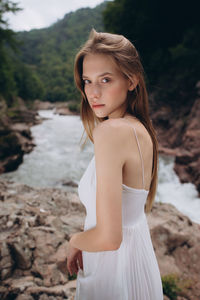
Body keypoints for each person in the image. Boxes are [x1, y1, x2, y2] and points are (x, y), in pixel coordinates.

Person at [66, 28, 163, 300]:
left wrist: (75, 240)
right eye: (87, 81)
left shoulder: (110, 132)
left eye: (105, 80)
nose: (93, 93)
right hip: (138, 263)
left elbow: (109, 238)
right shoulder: (142, 129)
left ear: (131, 81)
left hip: (115, 270)